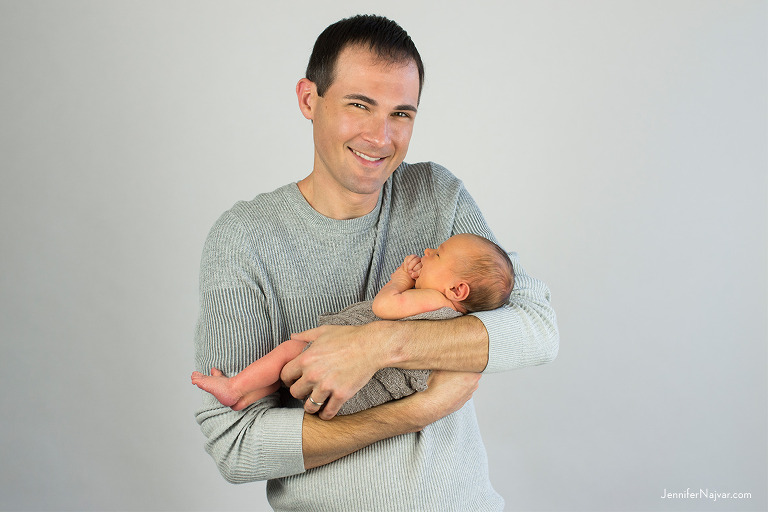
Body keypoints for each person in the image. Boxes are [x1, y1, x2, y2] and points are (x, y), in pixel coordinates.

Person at [193, 14, 558, 511]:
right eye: (359, 105)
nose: (380, 137)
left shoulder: (436, 195)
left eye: (401, 114)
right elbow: (236, 446)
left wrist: (379, 344)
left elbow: (539, 329)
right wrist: (420, 410)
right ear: (308, 98)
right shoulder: (246, 239)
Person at [191, 233, 515, 412]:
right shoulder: (455, 317)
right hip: (365, 395)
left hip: (347, 384)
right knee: (292, 369)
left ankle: (236, 387)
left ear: (457, 290)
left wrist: (400, 278)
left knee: (292, 349)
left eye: (439, 255)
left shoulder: (433, 301)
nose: (429, 250)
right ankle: (251, 395)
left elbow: (384, 306)